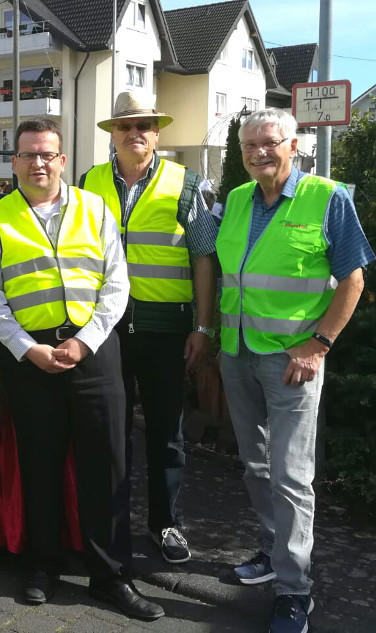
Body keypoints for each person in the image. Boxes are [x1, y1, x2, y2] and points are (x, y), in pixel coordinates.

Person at [0, 116, 164, 621]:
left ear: (62, 160)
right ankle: (43, 565)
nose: (38, 162)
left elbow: (116, 284)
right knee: (39, 464)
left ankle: (110, 577)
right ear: (14, 162)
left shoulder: (94, 208)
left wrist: (84, 342)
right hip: (31, 357)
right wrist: (26, 349)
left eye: (47, 154)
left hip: (94, 352)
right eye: (28, 154)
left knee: (108, 466)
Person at [217, 108, 374, 633]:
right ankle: (271, 553)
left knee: (289, 474)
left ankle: (294, 589)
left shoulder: (327, 197)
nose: (259, 152)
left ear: (294, 145)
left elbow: (352, 277)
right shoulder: (237, 200)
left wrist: (320, 344)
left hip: (292, 362)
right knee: (255, 466)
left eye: (269, 142)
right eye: (249, 146)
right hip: (237, 351)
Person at [80, 91, 218, 564]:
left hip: (166, 330)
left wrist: (203, 326)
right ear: (112, 134)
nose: (134, 133)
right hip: (106, 330)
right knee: (111, 433)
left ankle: (166, 525)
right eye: (125, 125)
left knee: (166, 432)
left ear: (157, 133)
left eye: (144, 125)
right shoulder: (88, 181)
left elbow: (204, 258)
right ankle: (112, 526)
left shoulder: (187, 183)